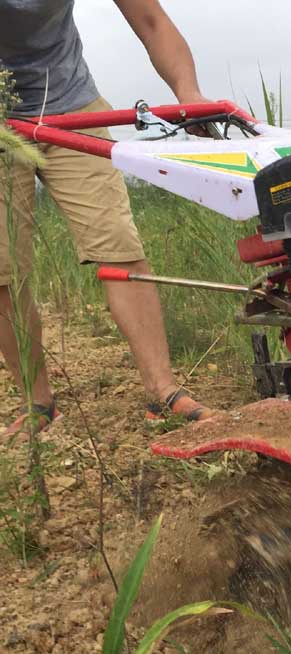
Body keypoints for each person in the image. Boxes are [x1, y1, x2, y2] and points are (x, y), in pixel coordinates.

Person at [0, 0, 214, 440]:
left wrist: (189, 95)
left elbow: (152, 23)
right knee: (3, 272)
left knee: (118, 245)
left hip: (70, 104)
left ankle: (163, 392)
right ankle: (38, 403)